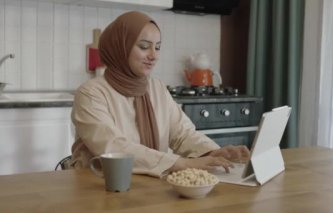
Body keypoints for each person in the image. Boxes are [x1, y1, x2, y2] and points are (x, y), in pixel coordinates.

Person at [70, 11, 250, 177]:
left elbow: (182, 133)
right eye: (144, 46)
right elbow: (114, 148)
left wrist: (212, 152)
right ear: (120, 47)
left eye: (157, 47)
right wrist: (182, 163)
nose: (153, 55)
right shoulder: (90, 94)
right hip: (98, 187)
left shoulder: (156, 88)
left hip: (147, 186)